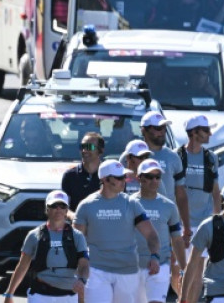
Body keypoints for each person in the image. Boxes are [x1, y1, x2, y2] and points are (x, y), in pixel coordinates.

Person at [73, 160, 160, 303]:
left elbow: (151, 234)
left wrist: (155, 256)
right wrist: (78, 272)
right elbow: (77, 242)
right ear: (105, 180)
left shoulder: (131, 203)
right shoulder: (86, 206)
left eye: (124, 177)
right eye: (119, 178)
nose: (124, 181)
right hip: (96, 271)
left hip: (127, 271)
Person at [2, 190, 90, 302]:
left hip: (68, 296)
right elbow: (22, 266)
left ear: (67, 210)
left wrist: (82, 280)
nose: (58, 209)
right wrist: (9, 293)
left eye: (62, 206)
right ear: (47, 209)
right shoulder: (34, 235)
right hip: (40, 294)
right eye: (54, 206)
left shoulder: (77, 236)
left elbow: (84, 265)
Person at [139, 110, 190, 296]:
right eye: (157, 128)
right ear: (144, 130)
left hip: (166, 221)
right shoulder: (131, 155)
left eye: (163, 128)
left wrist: (186, 226)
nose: (161, 132)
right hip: (138, 222)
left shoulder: (173, 158)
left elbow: (181, 194)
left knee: (173, 269)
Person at [130, 160, 187, 303]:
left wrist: (183, 269)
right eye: (149, 177)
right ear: (139, 178)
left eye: (157, 177)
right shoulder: (128, 203)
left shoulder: (169, 206)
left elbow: (177, 239)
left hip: (160, 266)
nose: (154, 181)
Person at [175, 115, 222, 256]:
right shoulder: (176, 156)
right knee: (177, 272)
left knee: (198, 270)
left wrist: (216, 221)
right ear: (194, 132)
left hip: (204, 223)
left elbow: (216, 192)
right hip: (180, 223)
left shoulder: (211, 158)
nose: (210, 134)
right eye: (207, 130)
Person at [61, 132, 104, 212]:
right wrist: (74, 217)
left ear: (100, 150)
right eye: (82, 147)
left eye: (89, 147)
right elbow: (63, 207)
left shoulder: (110, 175)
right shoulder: (70, 176)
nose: (84, 150)